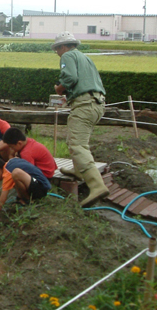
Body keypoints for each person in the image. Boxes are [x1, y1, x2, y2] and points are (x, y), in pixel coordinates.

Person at [53, 31, 108, 207]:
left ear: (63, 46)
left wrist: (60, 89)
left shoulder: (68, 56)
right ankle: (78, 170)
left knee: (78, 144)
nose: (57, 53)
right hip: (95, 103)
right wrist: (69, 96)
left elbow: (70, 78)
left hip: (84, 105)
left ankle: (97, 186)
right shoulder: (85, 58)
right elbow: (86, 82)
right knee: (74, 139)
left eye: (57, 49)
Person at [0, 157, 51, 231]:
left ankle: (27, 201)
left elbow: (2, 200)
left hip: (41, 189)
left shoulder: (8, 172)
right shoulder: (10, 162)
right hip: (38, 184)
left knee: (16, 173)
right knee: (14, 178)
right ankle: (21, 199)